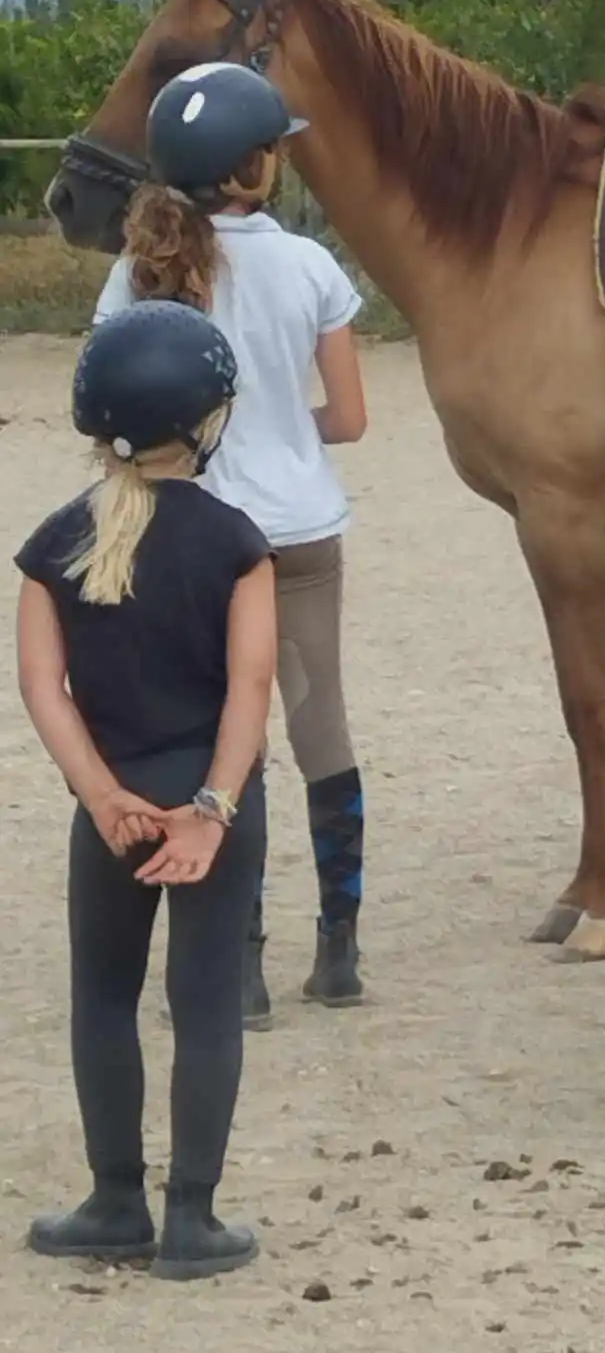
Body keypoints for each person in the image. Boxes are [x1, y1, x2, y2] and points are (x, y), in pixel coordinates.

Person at [95, 60, 369, 1024]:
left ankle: (238, 966)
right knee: (318, 724)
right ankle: (338, 948)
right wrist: (281, 424)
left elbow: (105, 399)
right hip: (297, 532)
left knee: (225, 743)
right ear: (258, 166)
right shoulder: (310, 266)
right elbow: (350, 419)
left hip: (188, 537)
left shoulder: (138, 270)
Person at [14, 301, 275, 1278]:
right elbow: (250, 689)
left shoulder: (54, 546)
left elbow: (45, 687)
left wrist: (101, 796)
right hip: (208, 796)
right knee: (204, 1005)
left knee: (104, 1000)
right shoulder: (237, 542)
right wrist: (210, 809)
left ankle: (114, 1200)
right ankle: (194, 1220)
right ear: (203, 423)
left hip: (111, 803)